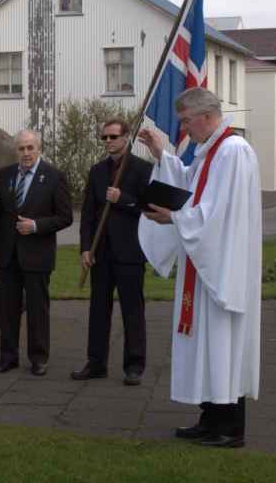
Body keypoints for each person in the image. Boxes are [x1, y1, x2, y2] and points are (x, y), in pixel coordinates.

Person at [138, 86, 261, 449]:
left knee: (223, 344)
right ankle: (210, 419)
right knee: (205, 344)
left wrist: (176, 218)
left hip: (223, 268)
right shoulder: (211, 153)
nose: (184, 129)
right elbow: (191, 185)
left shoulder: (233, 151)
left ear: (206, 116)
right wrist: (161, 155)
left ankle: (230, 428)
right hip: (206, 265)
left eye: (186, 121)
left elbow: (220, 213)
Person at [72, 118, 153, 386]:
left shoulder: (142, 169)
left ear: (126, 137)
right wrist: (86, 248)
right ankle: (96, 363)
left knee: (132, 310)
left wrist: (123, 199)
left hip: (129, 252)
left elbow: (149, 208)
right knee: (98, 310)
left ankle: (134, 365)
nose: (108, 141)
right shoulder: (97, 171)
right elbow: (88, 214)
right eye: (104, 137)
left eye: (113, 136)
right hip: (100, 252)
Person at [0, 129, 73, 376]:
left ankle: (38, 357)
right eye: (21, 148)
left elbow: (65, 217)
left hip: (37, 254)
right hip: (8, 254)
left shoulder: (54, 176)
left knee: (37, 309)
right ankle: (8, 357)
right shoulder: (6, 174)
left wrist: (36, 226)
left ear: (39, 148)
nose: (25, 153)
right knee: (8, 309)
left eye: (30, 148)